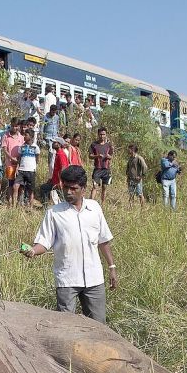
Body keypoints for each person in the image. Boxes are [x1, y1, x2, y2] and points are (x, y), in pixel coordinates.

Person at [22, 165, 118, 324]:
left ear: (84, 189)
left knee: (98, 326)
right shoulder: (54, 213)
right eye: (65, 187)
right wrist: (33, 250)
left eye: (73, 188)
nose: (68, 192)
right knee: (66, 328)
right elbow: (44, 242)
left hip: (94, 279)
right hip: (67, 281)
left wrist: (112, 267)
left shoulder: (95, 208)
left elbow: (103, 240)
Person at [13, 130, 39, 208]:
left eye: (26, 135)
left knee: (30, 190)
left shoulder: (36, 147)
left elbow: (37, 159)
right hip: (21, 170)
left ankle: (30, 207)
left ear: (31, 137)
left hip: (31, 171)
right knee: (16, 186)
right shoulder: (21, 147)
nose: (24, 136)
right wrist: (17, 168)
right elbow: (19, 158)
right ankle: (14, 206)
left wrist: (34, 167)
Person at [1, 117, 23, 203]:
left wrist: (18, 160)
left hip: (19, 164)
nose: (14, 128)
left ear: (19, 126)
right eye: (13, 126)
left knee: (18, 184)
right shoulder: (6, 136)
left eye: (16, 126)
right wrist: (11, 158)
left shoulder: (21, 137)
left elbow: (22, 150)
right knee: (10, 183)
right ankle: (10, 201)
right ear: (10, 125)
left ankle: (17, 202)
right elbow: (5, 150)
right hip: (9, 163)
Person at [89, 127, 113, 204]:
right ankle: (90, 203)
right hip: (97, 169)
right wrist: (97, 156)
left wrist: (109, 157)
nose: (102, 136)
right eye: (100, 134)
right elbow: (90, 156)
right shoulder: (94, 145)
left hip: (106, 169)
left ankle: (103, 204)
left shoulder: (109, 145)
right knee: (95, 186)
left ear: (106, 135)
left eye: (103, 134)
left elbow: (111, 156)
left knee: (104, 187)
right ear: (98, 134)